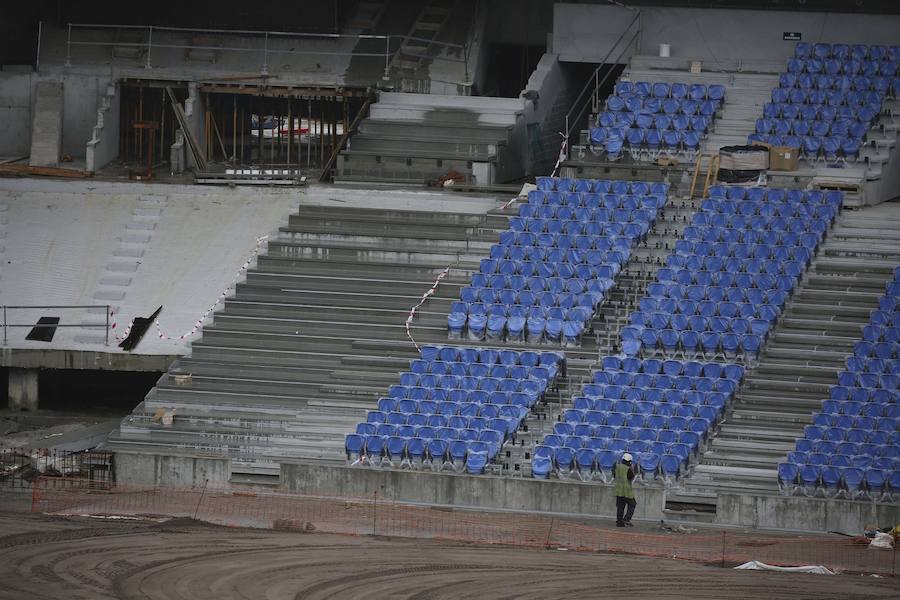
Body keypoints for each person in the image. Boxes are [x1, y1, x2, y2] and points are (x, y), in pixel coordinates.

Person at [614, 452, 636, 527]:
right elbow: (631, 477)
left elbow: (615, 475)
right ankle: (626, 519)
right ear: (629, 461)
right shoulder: (628, 469)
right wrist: (632, 469)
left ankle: (619, 522)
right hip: (627, 491)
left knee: (620, 507)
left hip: (618, 490)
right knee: (632, 504)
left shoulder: (617, 466)